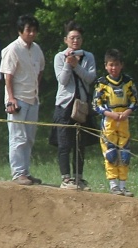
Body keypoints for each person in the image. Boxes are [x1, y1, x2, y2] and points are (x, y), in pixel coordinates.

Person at [0, 14, 44, 186]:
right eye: (28, 30)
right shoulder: (13, 49)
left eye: (34, 30)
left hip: (32, 98)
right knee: (18, 137)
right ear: (21, 31)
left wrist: (35, 90)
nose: (32, 34)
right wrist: (11, 99)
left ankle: (26, 171)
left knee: (29, 137)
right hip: (17, 99)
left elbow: (40, 70)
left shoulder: (37, 49)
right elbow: (7, 76)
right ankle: (18, 172)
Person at [52, 22, 95, 190]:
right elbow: (62, 80)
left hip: (82, 104)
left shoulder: (88, 57)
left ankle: (79, 177)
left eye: (78, 38)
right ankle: (66, 178)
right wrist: (68, 63)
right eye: (72, 38)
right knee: (64, 143)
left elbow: (90, 78)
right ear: (66, 40)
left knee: (80, 143)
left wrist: (77, 65)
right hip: (64, 104)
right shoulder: (59, 57)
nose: (75, 41)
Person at [92, 48, 137, 196]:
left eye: (116, 64)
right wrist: (110, 113)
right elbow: (96, 104)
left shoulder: (128, 82)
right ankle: (113, 185)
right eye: (111, 65)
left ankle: (123, 185)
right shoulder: (102, 83)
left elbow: (134, 100)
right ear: (105, 66)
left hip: (124, 120)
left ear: (121, 65)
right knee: (111, 152)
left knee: (124, 153)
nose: (114, 68)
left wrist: (127, 112)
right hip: (109, 121)